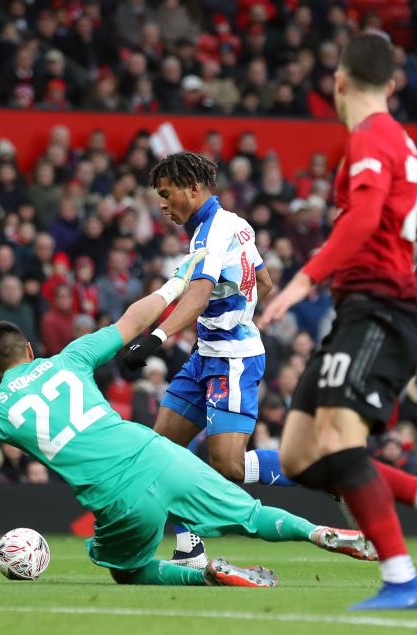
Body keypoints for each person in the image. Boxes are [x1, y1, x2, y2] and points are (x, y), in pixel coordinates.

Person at [0, 253, 375, 588]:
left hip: (116, 496)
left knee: (125, 571)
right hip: (155, 452)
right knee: (250, 511)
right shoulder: (69, 357)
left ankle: (204, 574)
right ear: (29, 348)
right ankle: (327, 533)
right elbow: (131, 321)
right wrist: (178, 283)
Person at [259, 32, 417, 611]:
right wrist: (416, 301)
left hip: (377, 309)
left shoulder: (372, 137)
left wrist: (306, 279)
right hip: (374, 310)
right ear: (394, 84)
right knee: (302, 455)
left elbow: (365, 218)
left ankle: (403, 579)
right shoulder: (404, 146)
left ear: (339, 81)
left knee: (337, 439)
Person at [120, 151, 291, 569]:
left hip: (231, 359)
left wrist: (156, 337)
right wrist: (238, 313)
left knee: (228, 467)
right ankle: (190, 548)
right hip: (208, 354)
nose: (161, 204)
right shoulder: (236, 224)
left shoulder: (211, 233)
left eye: (166, 194)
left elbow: (197, 295)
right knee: (162, 451)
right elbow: (264, 282)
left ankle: (316, 466)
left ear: (193, 189)